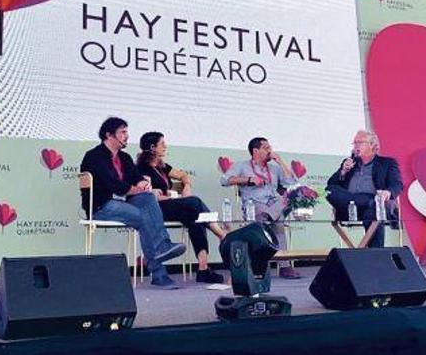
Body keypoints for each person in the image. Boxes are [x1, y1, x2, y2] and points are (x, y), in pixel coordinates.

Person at [80, 117, 186, 289]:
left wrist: (144, 185)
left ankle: (162, 252)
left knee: (148, 199)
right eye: (123, 132)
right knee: (143, 216)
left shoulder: (124, 157)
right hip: (100, 206)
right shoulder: (94, 156)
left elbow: (136, 177)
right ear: (109, 135)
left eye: (127, 132)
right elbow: (114, 185)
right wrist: (138, 189)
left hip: (121, 203)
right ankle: (159, 271)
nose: (127, 136)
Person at [137, 132, 226, 284]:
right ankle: (221, 234)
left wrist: (186, 186)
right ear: (152, 147)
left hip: (170, 205)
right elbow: (149, 196)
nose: (165, 146)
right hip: (156, 209)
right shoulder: (142, 168)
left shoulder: (163, 167)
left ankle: (203, 268)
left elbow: (183, 175)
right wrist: (173, 197)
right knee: (195, 202)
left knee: (195, 219)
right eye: (162, 143)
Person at [219, 137, 300, 279]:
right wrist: (248, 180)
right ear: (256, 151)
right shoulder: (242, 166)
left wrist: (280, 161)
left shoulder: (274, 168)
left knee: (289, 203)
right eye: (266, 148)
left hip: (273, 204)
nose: (270, 151)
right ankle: (273, 265)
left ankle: (284, 266)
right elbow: (225, 180)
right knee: (276, 220)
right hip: (254, 205)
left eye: (270, 148)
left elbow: (290, 182)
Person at [325, 130, 402, 248]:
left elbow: (397, 185)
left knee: (373, 213)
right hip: (350, 208)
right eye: (354, 143)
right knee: (330, 190)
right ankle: (366, 200)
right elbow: (331, 184)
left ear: (372, 145)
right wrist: (343, 171)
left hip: (375, 208)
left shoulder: (387, 163)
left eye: (359, 142)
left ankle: (375, 256)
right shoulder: (349, 163)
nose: (355, 146)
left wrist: (388, 192)